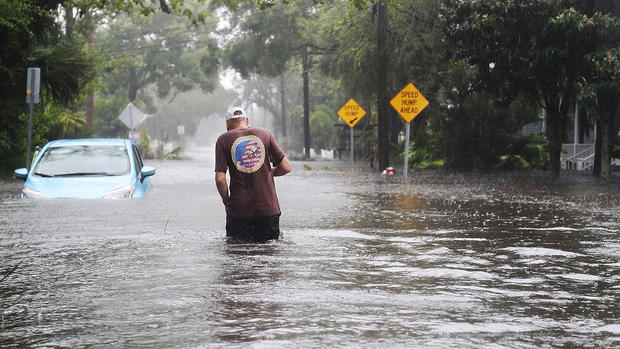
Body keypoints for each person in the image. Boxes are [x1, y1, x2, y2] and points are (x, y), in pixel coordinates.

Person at [215, 107, 292, 242]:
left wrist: (227, 202)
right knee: (269, 254)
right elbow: (286, 167)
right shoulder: (265, 134)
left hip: (239, 211)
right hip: (268, 209)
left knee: (237, 256)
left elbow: (220, 179)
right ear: (247, 120)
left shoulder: (223, 139)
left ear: (227, 124)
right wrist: (266, 173)